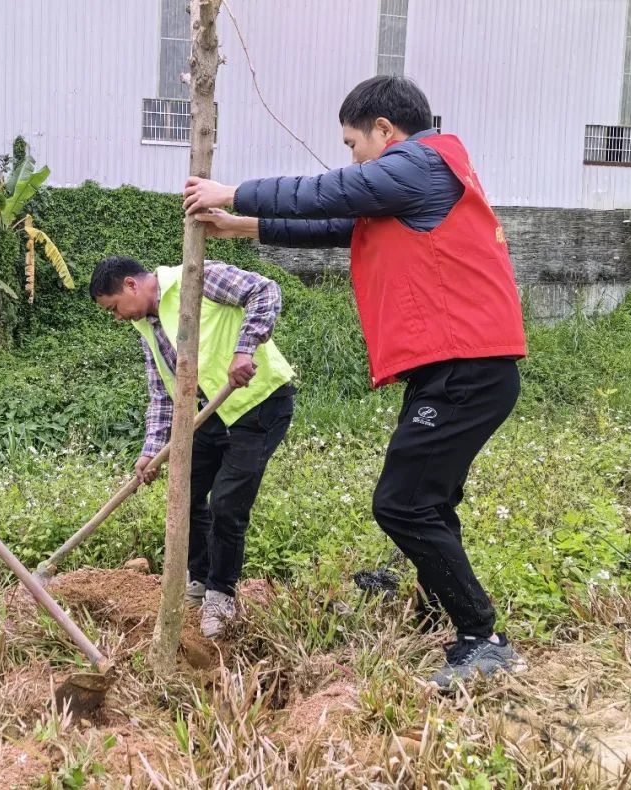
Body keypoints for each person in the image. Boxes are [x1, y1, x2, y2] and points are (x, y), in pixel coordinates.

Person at [182, 75, 528, 688]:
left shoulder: (420, 163)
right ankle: (440, 610)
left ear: (384, 132)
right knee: (429, 501)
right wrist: (240, 225)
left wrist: (232, 189)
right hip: (457, 371)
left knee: (402, 503)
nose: (351, 157)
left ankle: (483, 639)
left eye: (352, 143)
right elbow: (341, 226)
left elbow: (330, 193)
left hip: (466, 372)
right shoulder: (414, 187)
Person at [90, 256, 296, 639]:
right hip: (210, 414)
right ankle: (199, 579)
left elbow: (265, 291)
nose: (116, 317)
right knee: (184, 492)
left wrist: (245, 348)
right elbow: (162, 395)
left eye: (113, 307)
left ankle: (222, 593)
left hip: (260, 402)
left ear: (131, 286)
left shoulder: (196, 277)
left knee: (227, 503)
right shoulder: (146, 327)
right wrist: (151, 451)